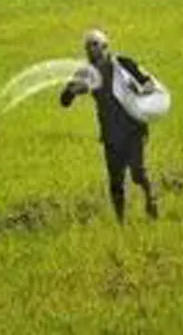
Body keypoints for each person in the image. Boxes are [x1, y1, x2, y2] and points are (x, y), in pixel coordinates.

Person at [59, 29, 159, 223]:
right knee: (115, 182)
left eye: (95, 45)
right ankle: (121, 223)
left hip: (133, 129)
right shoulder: (85, 73)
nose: (91, 50)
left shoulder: (124, 64)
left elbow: (149, 83)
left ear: (105, 46)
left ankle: (150, 198)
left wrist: (143, 90)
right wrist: (72, 91)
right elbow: (64, 101)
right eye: (88, 47)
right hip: (111, 135)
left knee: (137, 173)